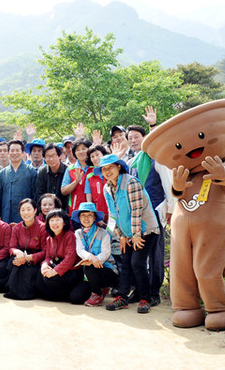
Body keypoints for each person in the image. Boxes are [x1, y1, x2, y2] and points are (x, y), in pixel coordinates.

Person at [97, 154, 159, 314]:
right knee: (126, 263)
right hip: (127, 233)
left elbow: (136, 211)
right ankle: (123, 297)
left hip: (145, 230)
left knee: (137, 263)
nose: (107, 171)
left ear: (119, 167)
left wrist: (136, 234)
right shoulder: (107, 188)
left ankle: (146, 298)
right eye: (104, 169)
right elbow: (112, 214)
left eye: (110, 167)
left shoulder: (131, 182)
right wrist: (122, 236)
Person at [127, 123, 175, 307]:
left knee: (155, 255)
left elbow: (168, 186)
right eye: (130, 137)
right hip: (136, 215)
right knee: (137, 254)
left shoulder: (158, 160)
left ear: (145, 138)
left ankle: (154, 292)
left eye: (136, 137)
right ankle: (140, 291)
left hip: (155, 211)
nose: (133, 140)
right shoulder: (132, 163)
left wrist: (170, 209)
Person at [71, 202, 119, 307]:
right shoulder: (78, 233)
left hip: (106, 270)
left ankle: (97, 295)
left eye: (89, 215)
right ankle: (99, 289)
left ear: (94, 218)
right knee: (76, 297)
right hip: (88, 274)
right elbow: (80, 250)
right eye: (83, 215)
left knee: (90, 267)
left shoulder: (104, 233)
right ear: (79, 218)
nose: (86, 218)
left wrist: (94, 260)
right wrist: (91, 257)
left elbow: (106, 253)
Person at [4, 199, 47, 300]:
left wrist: (29, 257)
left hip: (35, 259)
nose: (26, 213)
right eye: (22, 210)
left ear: (35, 210)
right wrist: (18, 252)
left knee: (26, 269)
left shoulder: (43, 228)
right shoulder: (17, 228)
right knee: (15, 263)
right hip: (21, 257)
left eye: (29, 209)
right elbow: (12, 247)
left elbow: (45, 251)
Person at [35, 209, 82, 303]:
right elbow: (48, 257)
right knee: (41, 275)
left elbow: (70, 258)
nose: (54, 223)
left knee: (75, 298)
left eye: (57, 220)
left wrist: (55, 271)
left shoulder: (70, 235)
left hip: (71, 272)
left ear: (64, 222)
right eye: (51, 220)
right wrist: (44, 265)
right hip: (58, 267)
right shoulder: (49, 238)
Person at [0, 140, 37, 224]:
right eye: (12, 150)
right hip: (6, 213)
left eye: (17, 150)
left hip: (26, 213)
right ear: (8, 153)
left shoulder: (31, 171)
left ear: (23, 152)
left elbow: (35, 194)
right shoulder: (2, 173)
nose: (14, 153)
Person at [61, 139, 92, 217]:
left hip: (95, 210)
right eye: (77, 150)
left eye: (84, 148)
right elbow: (63, 191)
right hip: (76, 211)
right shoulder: (70, 169)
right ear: (74, 153)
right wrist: (75, 182)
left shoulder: (95, 167)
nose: (81, 152)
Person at [36, 143, 68, 210]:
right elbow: (39, 194)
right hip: (47, 211)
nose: (51, 159)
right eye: (47, 156)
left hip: (64, 210)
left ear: (59, 156)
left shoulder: (67, 170)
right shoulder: (42, 172)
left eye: (53, 155)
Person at [85, 145, 110, 223]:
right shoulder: (89, 176)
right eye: (92, 156)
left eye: (97, 155)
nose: (95, 158)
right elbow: (89, 200)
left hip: (115, 215)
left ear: (103, 154)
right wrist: (96, 217)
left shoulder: (112, 172)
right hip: (99, 218)